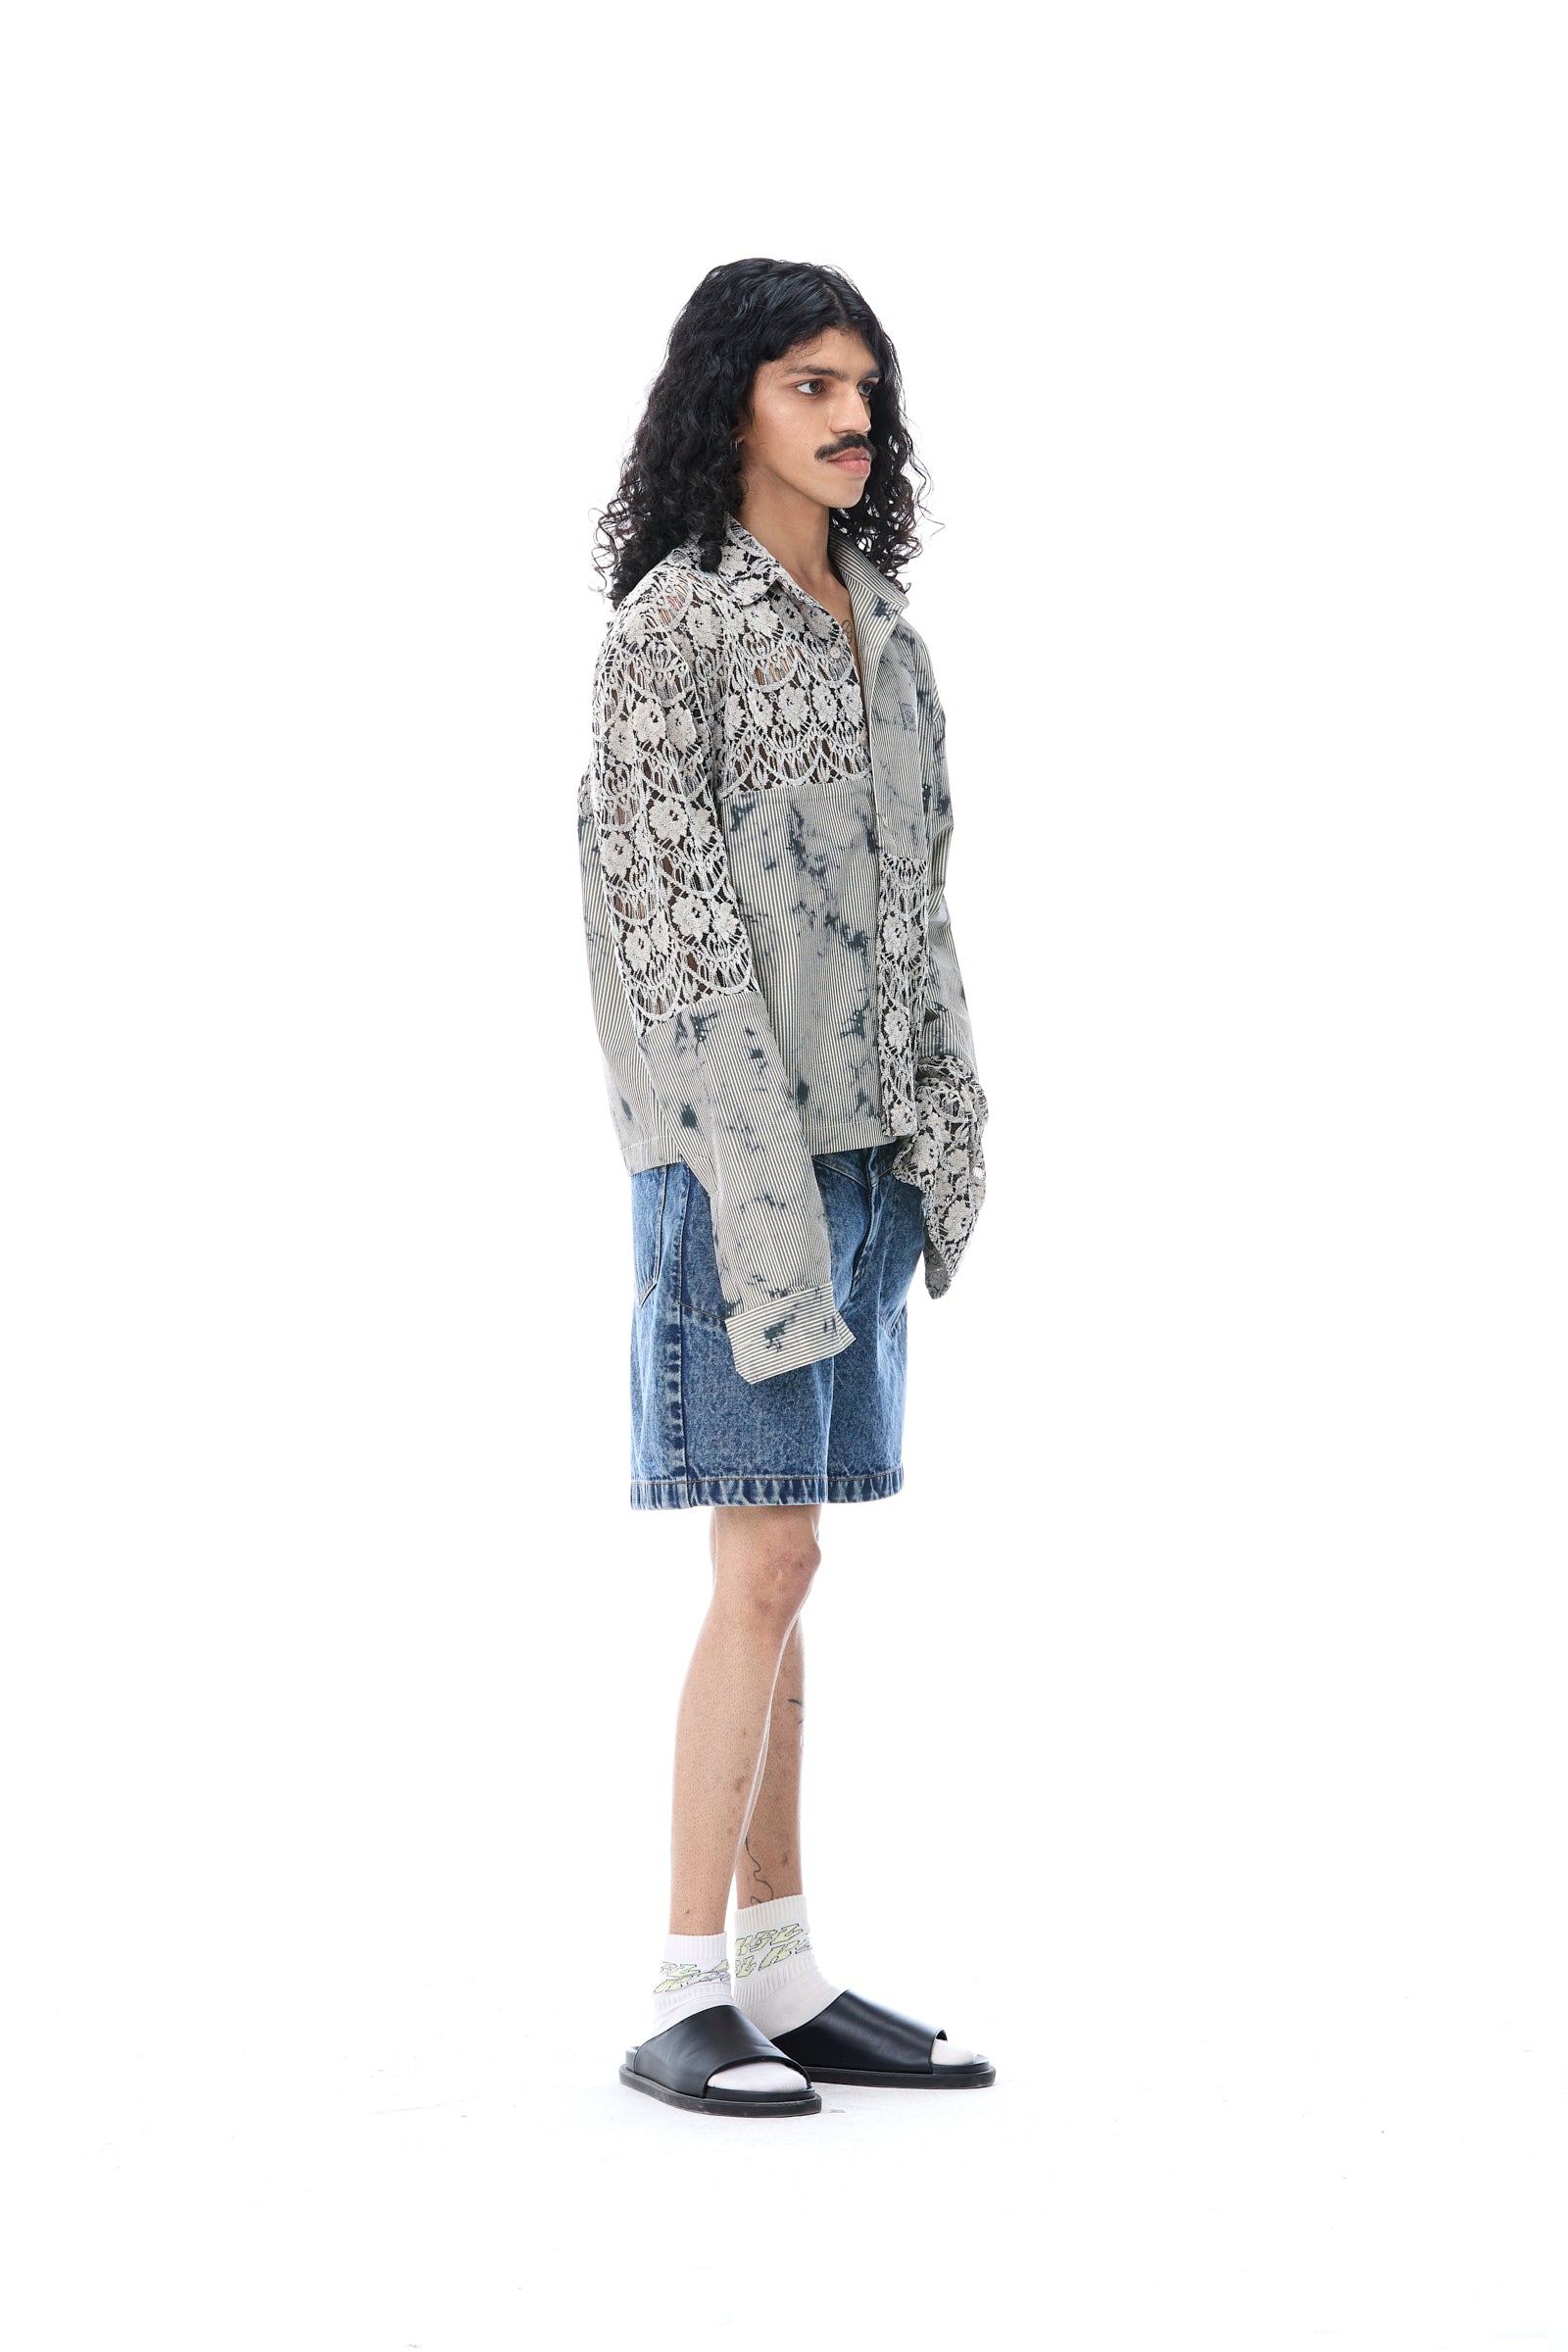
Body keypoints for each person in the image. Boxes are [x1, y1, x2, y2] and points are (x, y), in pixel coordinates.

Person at [577, 259, 994, 2117]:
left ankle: (781, 1967)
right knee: (766, 1560)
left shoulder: (881, 624)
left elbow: (920, 901)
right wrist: (753, 1184)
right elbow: (668, 938)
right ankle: (684, 1988)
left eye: (865, 386)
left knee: (788, 1561)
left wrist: (945, 1119)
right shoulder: (673, 627)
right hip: (733, 1160)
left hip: (865, 1157)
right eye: (811, 383)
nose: (852, 416)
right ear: (729, 399)